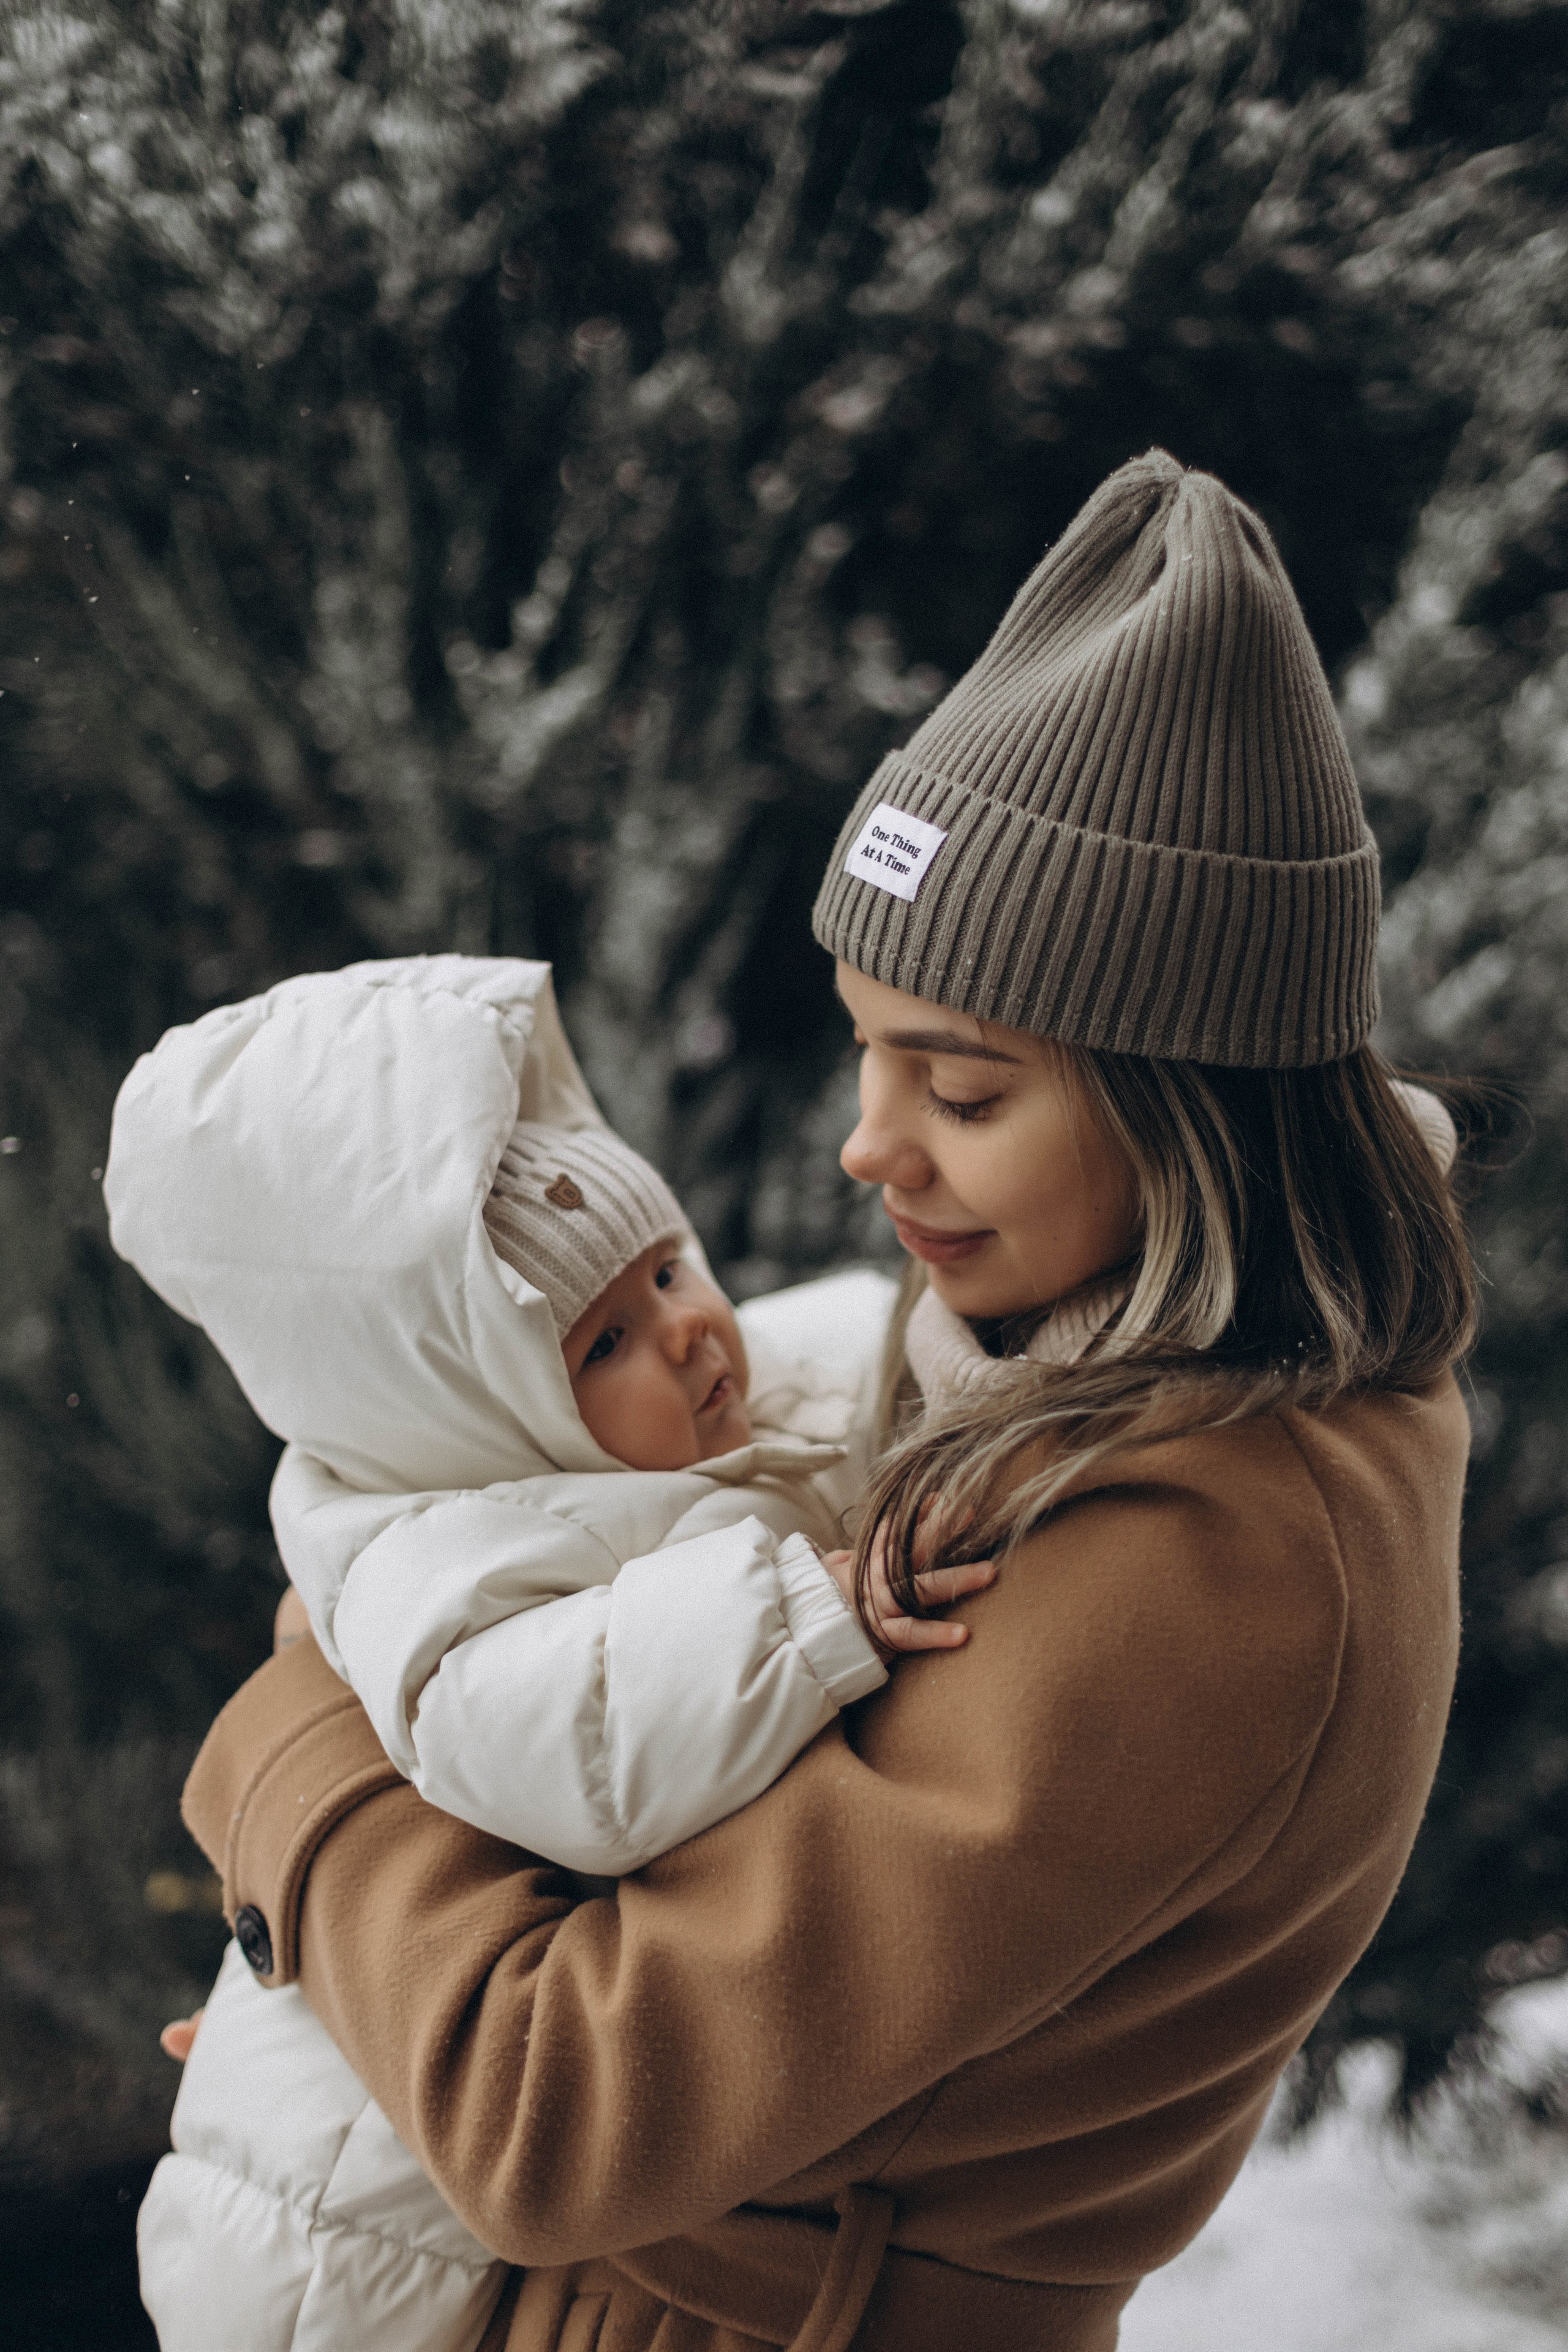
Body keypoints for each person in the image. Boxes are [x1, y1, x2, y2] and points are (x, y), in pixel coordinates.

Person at [172, 451, 1477, 2352]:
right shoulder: (1044, 1389)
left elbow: (556, 2104)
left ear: (1199, 1105)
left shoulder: (1210, 1547)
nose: (872, 1148)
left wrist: (296, 1743)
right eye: (869, 1059)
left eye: (960, 1093)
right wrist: (352, 2039)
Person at [104, 955, 985, 2352]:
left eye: (669, 1263)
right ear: (480, 1409)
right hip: (343, 2189)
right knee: (321, 2264)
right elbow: (561, 1740)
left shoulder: (651, 1429)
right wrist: (804, 1617)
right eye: (607, 1339)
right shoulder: (441, 1554)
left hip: (419, 1976)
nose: (690, 1327)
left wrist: (928, 1334)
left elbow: (822, 1362)